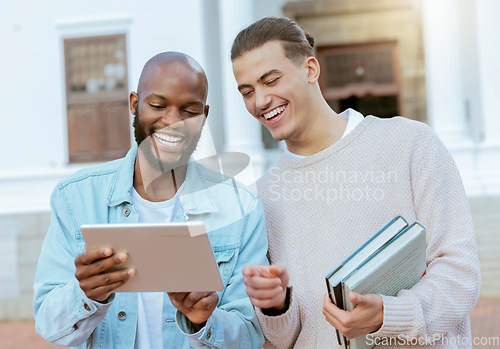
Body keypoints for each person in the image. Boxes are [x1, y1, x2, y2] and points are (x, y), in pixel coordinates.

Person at [231, 17, 480, 348]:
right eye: (247, 92)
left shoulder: (410, 144)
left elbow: (460, 275)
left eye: (270, 81)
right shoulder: (259, 199)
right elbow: (282, 338)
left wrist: (388, 315)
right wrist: (276, 306)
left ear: (310, 70)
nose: (260, 101)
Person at [33, 52, 267, 348]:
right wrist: (86, 295)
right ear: (134, 104)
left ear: (204, 116)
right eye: (157, 105)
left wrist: (205, 321)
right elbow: (48, 326)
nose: (173, 122)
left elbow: (251, 337)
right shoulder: (76, 198)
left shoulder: (241, 208)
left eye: (190, 111)